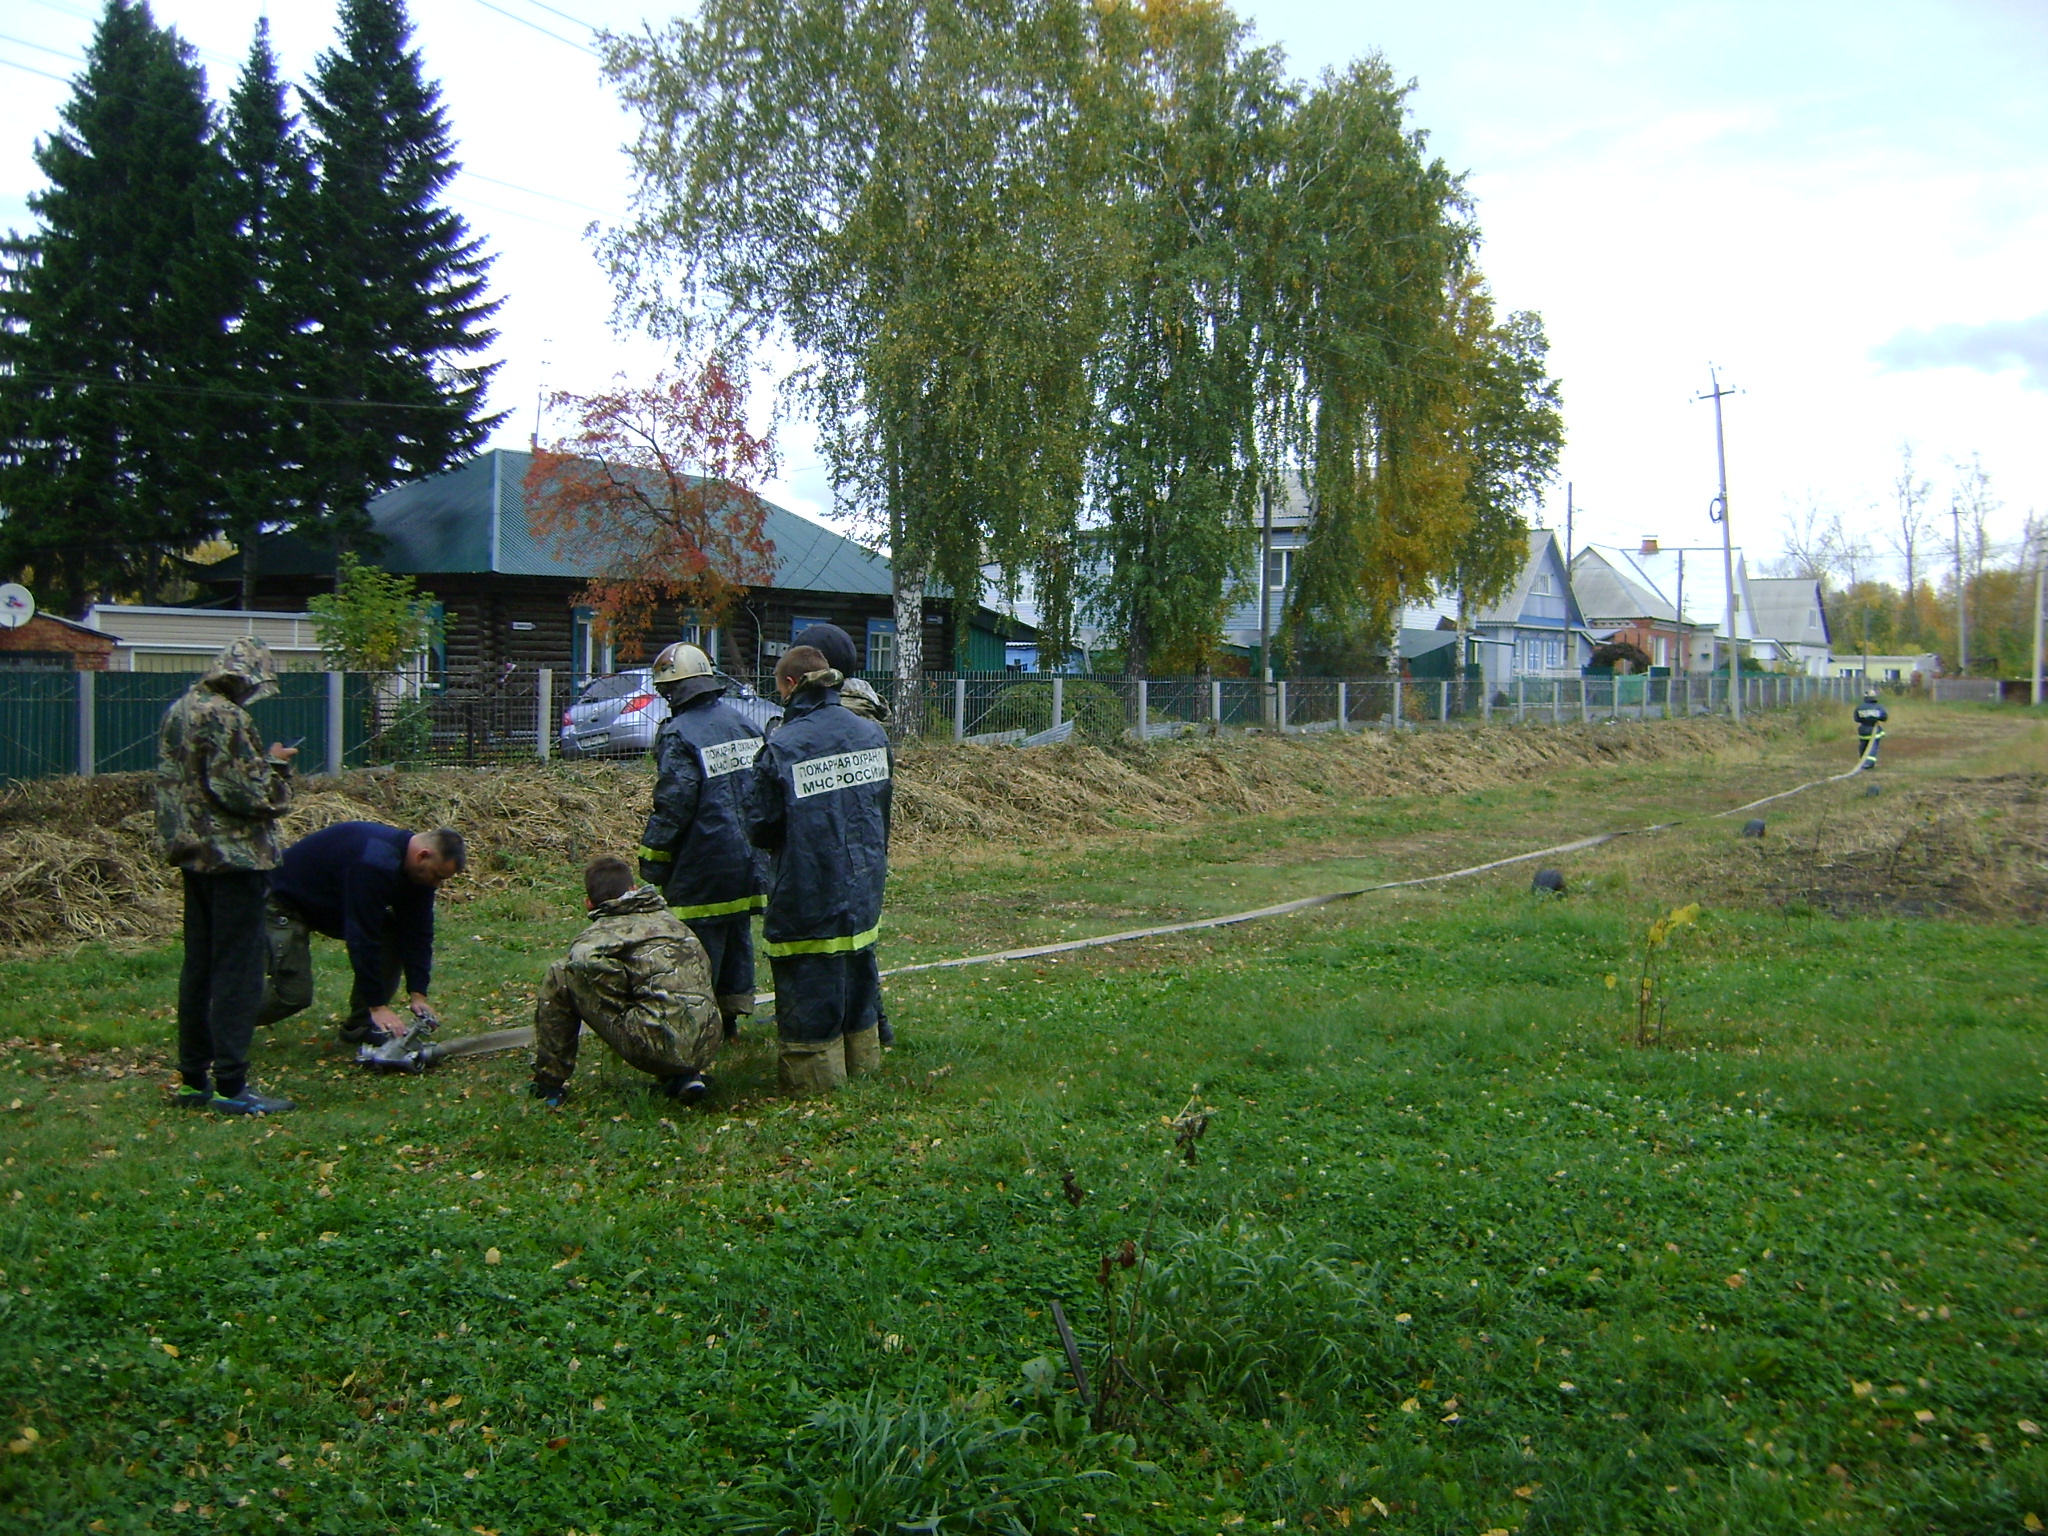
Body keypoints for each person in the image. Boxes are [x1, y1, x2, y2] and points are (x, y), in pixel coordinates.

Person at [156, 637, 298, 1115]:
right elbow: (245, 792)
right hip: (234, 857)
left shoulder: (180, 709)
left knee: (198, 966)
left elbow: (194, 779)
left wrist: (264, 764)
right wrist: (279, 775)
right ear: (246, 677)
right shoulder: (228, 716)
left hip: (192, 852)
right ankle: (232, 1085)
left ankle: (194, 1078)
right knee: (238, 971)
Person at [747, 644, 892, 1093]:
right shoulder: (871, 734)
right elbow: (881, 809)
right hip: (865, 882)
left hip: (807, 886)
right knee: (857, 968)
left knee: (808, 978)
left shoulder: (784, 744)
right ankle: (863, 1062)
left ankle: (816, 1082)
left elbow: (759, 824)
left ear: (791, 686)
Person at [635, 642, 767, 1043]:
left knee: (696, 948)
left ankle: (697, 1025)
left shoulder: (678, 734)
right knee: (736, 935)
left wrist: (653, 859)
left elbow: (674, 804)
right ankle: (732, 1018)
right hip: (750, 861)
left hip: (703, 864)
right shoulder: (746, 723)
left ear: (675, 690)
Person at [529, 856, 723, 1107]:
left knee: (560, 974)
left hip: (656, 1046)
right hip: (708, 1039)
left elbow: (582, 961)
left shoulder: (600, 935)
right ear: (633, 889)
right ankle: (685, 1076)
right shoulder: (671, 921)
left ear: (589, 904)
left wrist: (620, 993)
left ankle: (549, 1085)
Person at [260, 822, 465, 1045]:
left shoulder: (416, 873)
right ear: (422, 856)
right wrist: (377, 1005)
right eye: (436, 875)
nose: (436, 884)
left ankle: (360, 1026)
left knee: (392, 932)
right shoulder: (374, 862)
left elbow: (418, 932)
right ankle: (222, 1022)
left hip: (325, 903)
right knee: (292, 995)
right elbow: (362, 936)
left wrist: (418, 993)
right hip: (280, 902)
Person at [791, 623, 895, 1046]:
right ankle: (873, 1024)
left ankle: (854, 1023)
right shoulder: (866, 714)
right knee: (860, 937)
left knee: (837, 944)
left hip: (829, 846)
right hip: (866, 844)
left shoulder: (830, 718)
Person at [1853, 687, 1888, 768]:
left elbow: (1856, 719)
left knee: (1863, 746)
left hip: (1863, 731)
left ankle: (1862, 761)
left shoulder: (1859, 707)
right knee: (1872, 748)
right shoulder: (1879, 707)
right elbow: (1884, 718)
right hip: (1874, 731)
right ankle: (1869, 763)